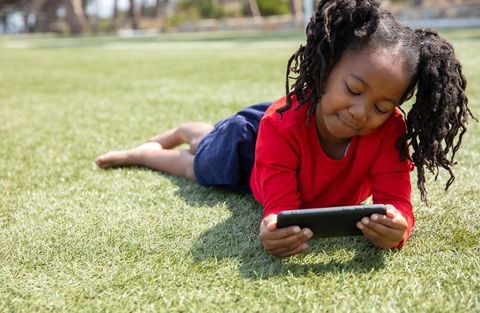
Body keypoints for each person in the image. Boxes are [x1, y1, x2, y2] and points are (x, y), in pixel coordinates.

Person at [95, 0, 474, 257]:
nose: (362, 113)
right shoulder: (279, 125)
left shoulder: (389, 131)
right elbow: (280, 208)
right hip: (250, 144)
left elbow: (398, 203)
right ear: (327, 70)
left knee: (209, 141)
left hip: (284, 143)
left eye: (382, 105)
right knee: (201, 168)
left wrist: (399, 226)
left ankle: (197, 132)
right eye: (354, 90)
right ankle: (151, 150)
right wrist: (274, 229)